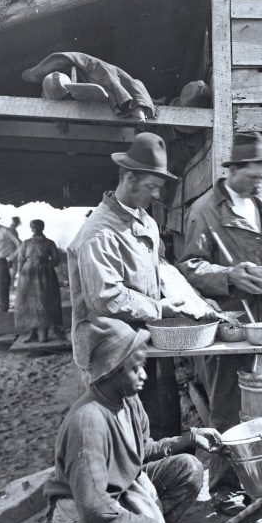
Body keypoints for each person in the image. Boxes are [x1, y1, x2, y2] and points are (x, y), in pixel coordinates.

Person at [18, 320, 221, 523]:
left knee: (188, 470)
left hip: (120, 494)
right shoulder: (89, 424)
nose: (144, 376)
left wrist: (189, 439)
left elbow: (141, 450)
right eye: (136, 368)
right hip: (81, 512)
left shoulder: (128, 400)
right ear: (112, 372)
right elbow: (97, 515)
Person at [177, 129, 262, 516]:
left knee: (260, 399)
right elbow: (189, 266)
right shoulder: (205, 209)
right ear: (234, 169)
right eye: (254, 176)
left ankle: (257, 480)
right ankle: (224, 487)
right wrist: (228, 276)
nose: (259, 183)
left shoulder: (261, 207)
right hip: (226, 319)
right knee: (226, 404)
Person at [66, 132, 186, 437]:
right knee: (122, 437)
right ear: (128, 177)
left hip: (144, 344)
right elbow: (106, 298)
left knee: (161, 423)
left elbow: (159, 267)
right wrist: (159, 308)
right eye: (151, 187)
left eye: (159, 187)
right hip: (109, 354)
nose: (157, 195)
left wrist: (189, 298)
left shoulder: (147, 222)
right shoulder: (99, 231)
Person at [14, 220, 63, 343]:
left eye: (37, 227)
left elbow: (57, 260)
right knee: (29, 302)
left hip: (45, 275)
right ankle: (33, 333)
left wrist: (46, 263)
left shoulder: (49, 243)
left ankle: (44, 332)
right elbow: (20, 259)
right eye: (32, 227)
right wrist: (20, 274)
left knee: (44, 302)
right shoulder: (26, 243)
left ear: (42, 228)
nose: (34, 229)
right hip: (28, 276)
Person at [7, 216, 22, 290]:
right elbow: (18, 242)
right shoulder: (12, 230)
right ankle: (11, 286)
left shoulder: (11, 229)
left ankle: (11, 286)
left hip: (12, 251)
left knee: (12, 270)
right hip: (12, 252)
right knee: (13, 270)